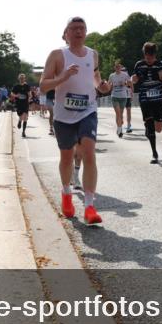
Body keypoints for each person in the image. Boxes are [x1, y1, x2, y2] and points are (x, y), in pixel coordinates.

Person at [39, 16, 111, 225]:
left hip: (87, 110)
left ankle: (89, 206)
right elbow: (43, 85)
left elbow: (95, 77)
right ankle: (66, 193)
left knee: (89, 153)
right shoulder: (57, 55)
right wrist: (63, 77)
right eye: (75, 28)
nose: (79, 32)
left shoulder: (93, 55)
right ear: (67, 33)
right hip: (63, 114)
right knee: (67, 157)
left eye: (82, 28)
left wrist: (102, 87)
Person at [132, 43, 162, 163]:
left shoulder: (161, 65)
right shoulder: (139, 65)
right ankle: (154, 153)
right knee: (151, 127)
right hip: (145, 99)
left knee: (158, 129)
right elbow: (135, 78)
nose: (149, 59)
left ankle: (149, 129)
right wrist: (133, 80)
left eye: (151, 56)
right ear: (144, 54)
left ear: (155, 55)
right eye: (147, 56)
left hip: (158, 100)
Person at [108, 61, 131, 137]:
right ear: (114, 68)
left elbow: (130, 83)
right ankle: (119, 129)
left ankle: (119, 126)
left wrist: (124, 84)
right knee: (118, 113)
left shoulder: (125, 75)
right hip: (114, 96)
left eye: (119, 67)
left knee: (120, 114)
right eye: (116, 67)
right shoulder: (112, 76)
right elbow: (108, 84)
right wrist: (106, 85)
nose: (118, 68)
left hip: (123, 96)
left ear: (121, 68)